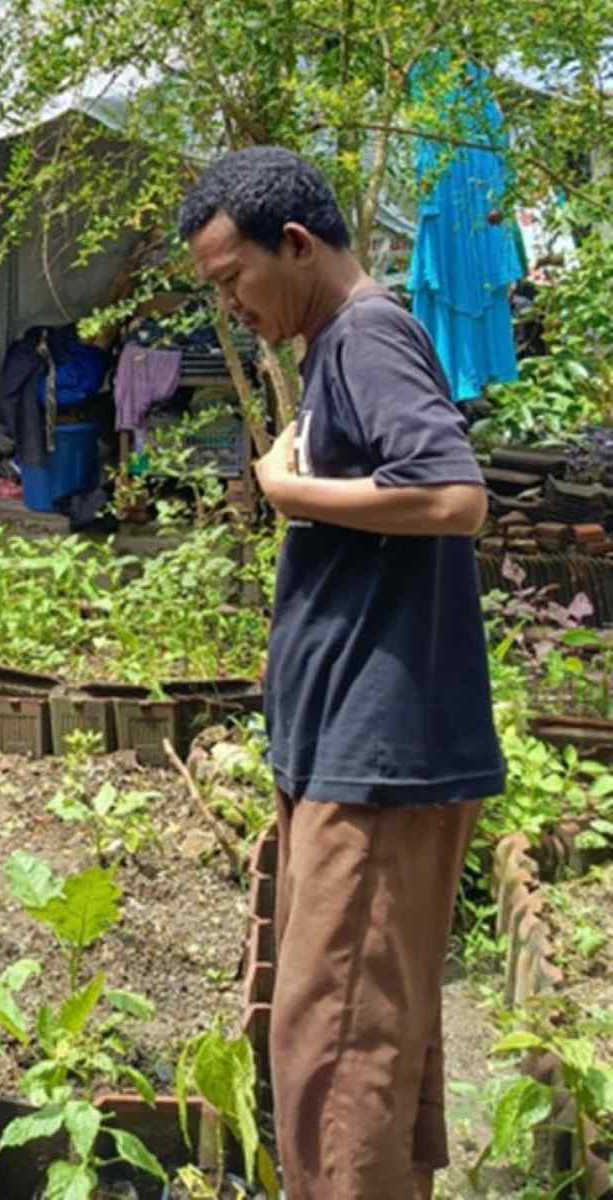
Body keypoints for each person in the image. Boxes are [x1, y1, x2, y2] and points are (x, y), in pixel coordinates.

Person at [180, 146, 504, 1200]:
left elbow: (453, 496)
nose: (231, 306)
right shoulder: (338, 345)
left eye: (234, 279)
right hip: (357, 748)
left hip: (380, 758)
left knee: (334, 1046)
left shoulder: (366, 334)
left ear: (296, 245)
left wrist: (290, 494)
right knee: (364, 1038)